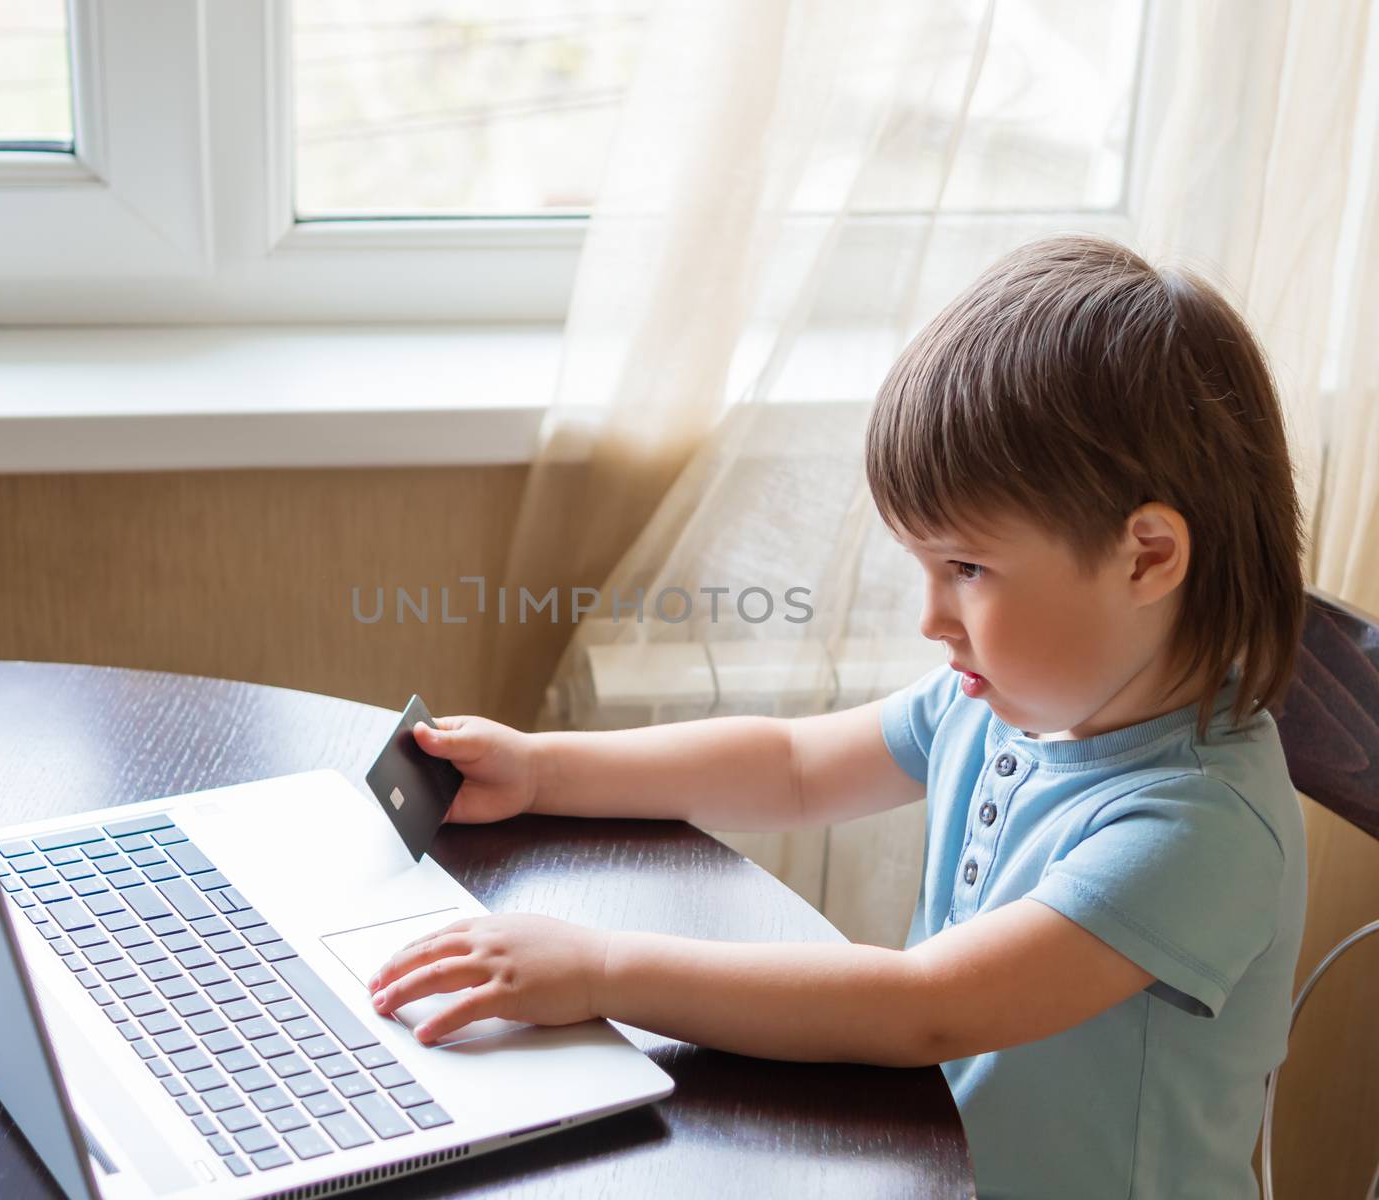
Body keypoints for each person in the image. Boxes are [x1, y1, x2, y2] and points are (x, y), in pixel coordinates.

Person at [365, 234, 1308, 1198]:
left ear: (1147, 557)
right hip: (931, 1167)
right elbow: (794, 765)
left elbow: (925, 1010)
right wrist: (545, 769)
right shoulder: (1010, 704)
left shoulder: (1201, 826)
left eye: (969, 569)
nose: (931, 617)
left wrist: (601, 966)